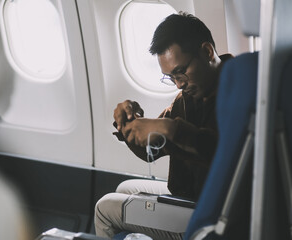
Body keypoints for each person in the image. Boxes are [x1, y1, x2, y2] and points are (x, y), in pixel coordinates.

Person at [94, 12, 233, 239]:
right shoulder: (187, 98)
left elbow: (228, 155)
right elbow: (152, 150)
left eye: (180, 72)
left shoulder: (239, 89)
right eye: (170, 77)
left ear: (207, 51)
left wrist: (171, 129)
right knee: (124, 189)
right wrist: (129, 124)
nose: (178, 84)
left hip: (216, 211)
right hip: (191, 196)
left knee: (104, 209)